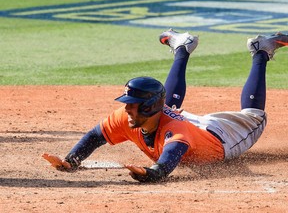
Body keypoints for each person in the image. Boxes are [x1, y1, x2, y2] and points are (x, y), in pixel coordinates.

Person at [43, 29, 288, 182]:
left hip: (221, 136)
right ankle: (182, 47)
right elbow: (96, 135)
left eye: (133, 105)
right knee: (166, 105)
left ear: (148, 107)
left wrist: (149, 174)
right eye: (127, 104)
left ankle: (261, 51)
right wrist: (71, 161)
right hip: (184, 125)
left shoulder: (177, 134)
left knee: (254, 115)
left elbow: (165, 165)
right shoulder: (127, 116)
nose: (127, 109)